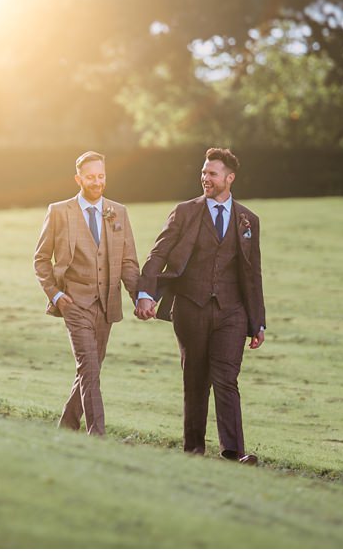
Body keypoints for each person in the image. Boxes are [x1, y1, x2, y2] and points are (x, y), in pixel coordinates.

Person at [136, 147, 266, 462]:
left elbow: (252, 273)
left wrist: (257, 322)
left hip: (231, 312)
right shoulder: (185, 212)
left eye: (212, 173)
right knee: (195, 378)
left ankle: (233, 450)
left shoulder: (248, 220)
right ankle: (193, 448)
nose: (205, 178)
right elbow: (159, 254)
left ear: (229, 178)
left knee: (226, 377)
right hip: (190, 306)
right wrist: (145, 293)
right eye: (204, 172)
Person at [33, 150, 147, 436]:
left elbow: (128, 261)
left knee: (89, 370)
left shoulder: (118, 212)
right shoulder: (59, 211)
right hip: (74, 303)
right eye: (90, 177)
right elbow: (41, 259)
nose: (96, 182)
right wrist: (56, 296)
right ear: (78, 178)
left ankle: (66, 428)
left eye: (101, 176)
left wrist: (140, 298)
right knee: (89, 368)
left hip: (106, 305)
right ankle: (97, 435)